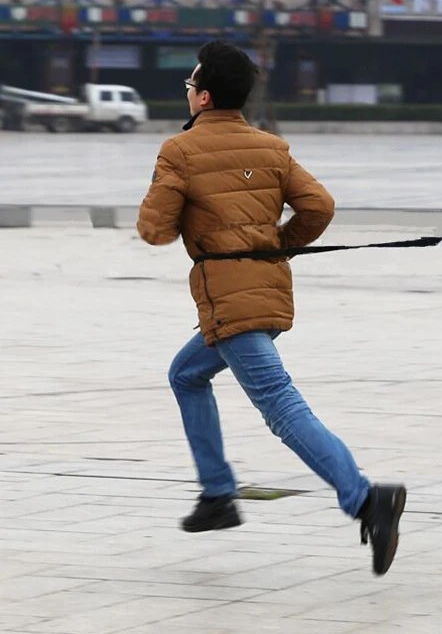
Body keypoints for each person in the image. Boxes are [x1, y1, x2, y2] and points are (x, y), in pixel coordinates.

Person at [137, 40, 406, 576]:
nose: (187, 92)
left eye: (190, 85)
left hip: (231, 300)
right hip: (267, 289)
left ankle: (364, 498)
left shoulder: (179, 150)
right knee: (186, 374)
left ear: (205, 96)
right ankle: (217, 494)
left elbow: (154, 230)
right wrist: (281, 241)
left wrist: (171, 187)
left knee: (281, 408)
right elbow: (320, 206)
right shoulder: (272, 147)